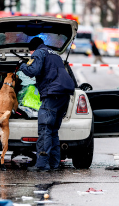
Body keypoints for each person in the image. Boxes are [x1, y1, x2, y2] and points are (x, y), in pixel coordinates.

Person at [18, 37, 75, 172]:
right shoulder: (55, 54)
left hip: (52, 94)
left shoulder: (39, 52)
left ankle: (43, 165)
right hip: (64, 96)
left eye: (30, 53)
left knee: (45, 129)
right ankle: (54, 164)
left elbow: (33, 71)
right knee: (53, 131)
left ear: (32, 49)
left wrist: (22, 65)